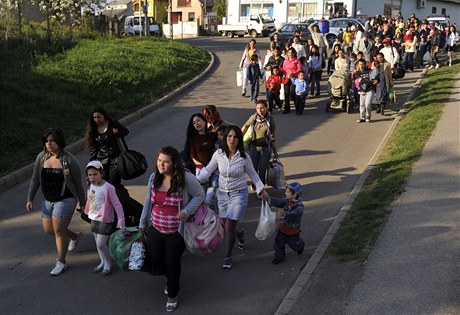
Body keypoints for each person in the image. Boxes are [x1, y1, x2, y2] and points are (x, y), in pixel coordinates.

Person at [139, 146, 204, 312]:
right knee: (157, 260)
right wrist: (142, 222)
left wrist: (186, 211)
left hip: (176, 232)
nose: (161, 165)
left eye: (166, 162)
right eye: (159, 160)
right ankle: (170, 279)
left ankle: (173, 294)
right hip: (155, 228)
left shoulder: (186, 178)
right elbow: (148, 200)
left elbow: (199, 195)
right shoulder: (154, 177)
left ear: (174, 163)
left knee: (172, 263)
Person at [196, 125, 270, 270]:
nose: (232, 139)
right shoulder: (218, 154)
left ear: (239, 140)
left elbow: (253, 174)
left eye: (235, 137)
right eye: (229, 136)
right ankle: (240, 234)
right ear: (225, 138)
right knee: (226, 225)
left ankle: (228, 256)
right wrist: (193, 181)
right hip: (222, 195)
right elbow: (207, 171)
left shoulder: (244, 157)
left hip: (239, 194)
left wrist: (261, 190)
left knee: (229, 225)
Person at [26, 127, 86, 276]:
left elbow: (78, 184)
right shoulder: (41, 158)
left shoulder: (70, 160)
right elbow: (35, 180)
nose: (49, 144)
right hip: (48, 200)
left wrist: (83, 203)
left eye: (52, 140)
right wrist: (30, 198)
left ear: (59, 141)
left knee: (59, 230)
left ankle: (61, 262)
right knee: (49, 230)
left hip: (66, 199)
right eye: (46, 141)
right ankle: (75, 236)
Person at [84, 160, 125, 275]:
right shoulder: (90, 185)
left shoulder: (108, 187)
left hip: (105, 219)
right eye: (90, 174)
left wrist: (121, 222)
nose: (92, 177)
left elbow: (117, 205)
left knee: (100, 244)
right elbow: (90, 200)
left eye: (95, 174)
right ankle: (102, 261)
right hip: (93, 218)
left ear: (101, 173)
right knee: (97, 242)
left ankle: (108, 263)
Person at [85, 106, 129, 193]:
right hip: (102, 161)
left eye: (99, 117)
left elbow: (126, 131)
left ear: (104, 116)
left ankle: (124, 197)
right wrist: (92, 163)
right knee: (104, 183)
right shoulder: (93, 129)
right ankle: (111, 202)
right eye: (94, 117)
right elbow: (93, 148)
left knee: (113, 183)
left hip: (116, 159)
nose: (97, 119)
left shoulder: (113, 124)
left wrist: (118, 133)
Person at [242, 100, 278, 190]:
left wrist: (275, 151)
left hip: (265, 148)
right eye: (257, 108)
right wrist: (238, 136)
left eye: (262, 108)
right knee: (253, 169)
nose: (260, 110)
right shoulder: (253, 118)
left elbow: (272, 136)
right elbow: (245, 126)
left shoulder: (270, 120)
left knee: (262, 170)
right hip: (253, 147)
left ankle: (260, 189)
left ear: (266, 108)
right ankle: (255, 184)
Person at [269, 182, 305, 265]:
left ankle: (300, 245)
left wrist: (284, 214)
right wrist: (269, 199)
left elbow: (292, 214)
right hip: (282, 229)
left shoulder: (299, 207)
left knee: (295, 246)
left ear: (294, 194)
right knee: (278, 244)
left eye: (287, 191)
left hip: (292, 232)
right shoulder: (286, 201)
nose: (285, 193)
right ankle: (279, 257)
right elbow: (278, 202)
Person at [353, 58, 380, 123]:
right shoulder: (357, 73)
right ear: (358, 65)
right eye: (360, 64)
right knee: (362, 105)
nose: (361, 65)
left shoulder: (370, 71)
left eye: (363, 64)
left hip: (370, 89)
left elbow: (376, 77)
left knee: (367, 104)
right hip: (362, 90)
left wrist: (377, 80)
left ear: (365, 64)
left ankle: (368, 116)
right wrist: (371, 81)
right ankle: (362, 117)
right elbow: (361, 81)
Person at [279, 48, 302, 113]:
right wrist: (283, 74)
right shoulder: (285, 60)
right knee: (286, 93)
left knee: (292, 93)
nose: (290, 54)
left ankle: (297, 107)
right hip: (286, 78)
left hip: (294, 78)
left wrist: (293, 73)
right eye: (289, 53)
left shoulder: (297, 60)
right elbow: (284, 69)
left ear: (294, 53)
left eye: (291, 53)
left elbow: (299, 69)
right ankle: (287, 108)